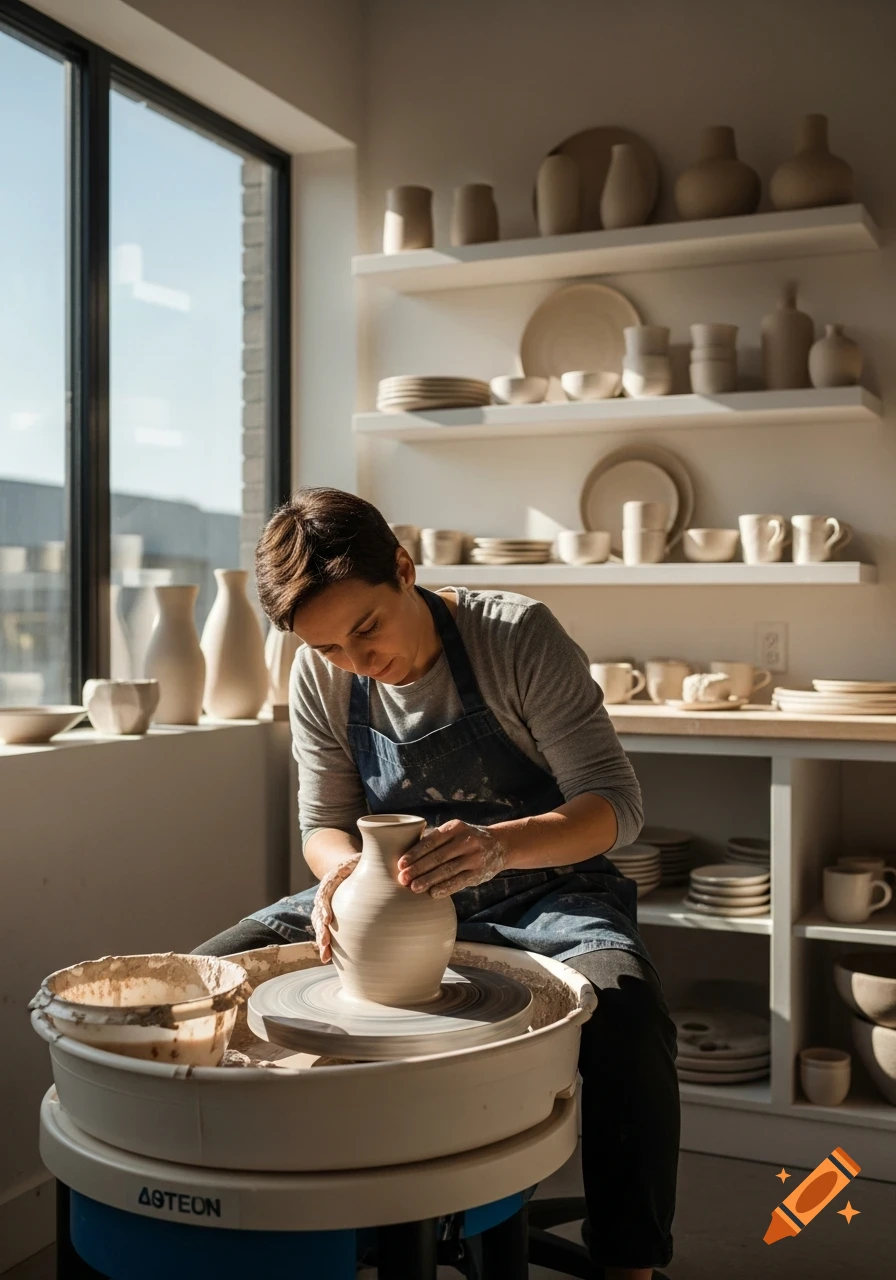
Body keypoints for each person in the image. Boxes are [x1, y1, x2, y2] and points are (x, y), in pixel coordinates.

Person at [195, 487, 680, 1280]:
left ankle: (630, 1261)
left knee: (627, 1012)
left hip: (545, 885)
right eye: (329, 650)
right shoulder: (322, 677)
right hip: (393, 895)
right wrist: (343, 876)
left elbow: (615, 806)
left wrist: (496, 846)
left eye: (365, 631)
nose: (357, 663)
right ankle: (298, 1226)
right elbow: (322, 825)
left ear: (404, 568)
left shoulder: (514, 636)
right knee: (211, 977)